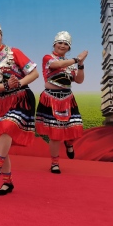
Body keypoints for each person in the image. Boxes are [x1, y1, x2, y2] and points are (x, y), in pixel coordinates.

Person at [0, 17, 39, 196]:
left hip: (21, 99)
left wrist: (18, 83)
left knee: (6, 127)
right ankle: (7, 182)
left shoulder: (14, 53)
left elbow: (34, 74)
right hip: (1, 103)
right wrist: (5, 86)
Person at [36, 31, 88, 174]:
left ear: (69, 47)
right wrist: (76, 59)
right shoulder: (48, 58)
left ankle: (69, 143)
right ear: (54, 44)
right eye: (60, 43)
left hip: (67, 99)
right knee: (55, 134)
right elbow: (57, 64)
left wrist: (80, 64)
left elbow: (79, 80)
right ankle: (55, 163)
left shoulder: (71, 64)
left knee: (75, 128)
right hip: (51, 99)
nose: (62, 46)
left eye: (66, 44)